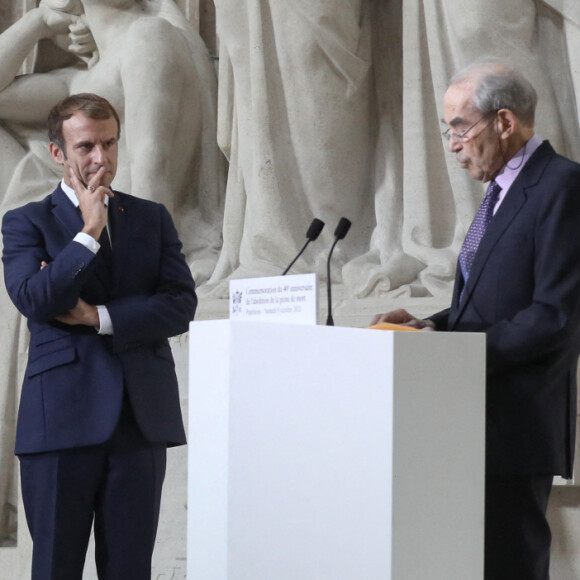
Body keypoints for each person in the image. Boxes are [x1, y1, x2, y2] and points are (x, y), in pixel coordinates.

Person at [373, 61, 580, 579]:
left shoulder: (562, 187)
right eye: (448, 131)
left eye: (460, 127)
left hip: (516, 426)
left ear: (505, 122)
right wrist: (433, 327)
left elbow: (555, 317)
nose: (452, 144)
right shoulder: (500, 193)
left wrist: (456, 352)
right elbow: (488, 306)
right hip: (465, 419)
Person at [1, 93, 197, 578]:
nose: (100, 158)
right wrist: (88, 232)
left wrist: (97, 316)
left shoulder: (151, 218)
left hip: (140, 420)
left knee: (131, 570)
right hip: (59, 422)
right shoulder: (26, 222)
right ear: (57, 153)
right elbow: (35, 299)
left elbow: (180, 305)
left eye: (109, 144)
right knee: (54, 568)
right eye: (86, 146)